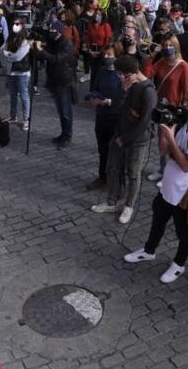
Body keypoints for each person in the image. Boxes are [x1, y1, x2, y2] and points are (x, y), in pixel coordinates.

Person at [124, 83, 188, 284]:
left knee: (183, 231)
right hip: (167, 188)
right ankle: (149, 251)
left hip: (185, 193)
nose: (184, 105)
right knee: (158, 221)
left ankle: (179, 265)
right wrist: (164, 131)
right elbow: (164, 152)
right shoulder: (183, 123)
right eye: (184, 100)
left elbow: (186, 165)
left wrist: (171, 138)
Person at [92, 55, 157, 224]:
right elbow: (116, 108)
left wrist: (125, 139)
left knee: (133, 173)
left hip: (137, 140)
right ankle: (112, 201)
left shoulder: (148, 90)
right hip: (119, 134)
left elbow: (144, 123)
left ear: (131, 73)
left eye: (121, 74)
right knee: (112, 167)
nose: (119, 77)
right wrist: (123, 90)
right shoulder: (126, 86)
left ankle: (129, 206)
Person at [85, 42, 123, 190]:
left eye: (109, 55)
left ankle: (117, 181)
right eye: (105, 54)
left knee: (116, 151)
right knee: (102, 149)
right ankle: (103, 177)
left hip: (116, 117)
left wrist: (111, 101)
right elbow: (94, 88)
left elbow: (124, 97)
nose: (106, 57)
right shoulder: (101, 71)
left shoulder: (121, 75)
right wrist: (95, 98)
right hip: (101, 115)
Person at [38, 20, 78, 148]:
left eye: (53, 31)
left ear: (59, 32)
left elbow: (57, 59)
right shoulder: (52, 41)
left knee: (65, 110)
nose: (50, 33)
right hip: (53, 80)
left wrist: (42, 51)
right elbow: (45, 57)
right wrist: (37, 51)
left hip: (64, 81)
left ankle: (67, 136)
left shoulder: (66, 44)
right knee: (60, 110)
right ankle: (63, 133)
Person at [4, 22, 33, 131]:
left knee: (24, 96)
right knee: (13, 95)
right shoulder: (9, 39)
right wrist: (9, 54)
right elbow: (3, 49)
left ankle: (26, 120)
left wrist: (7, 54)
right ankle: (13, 116)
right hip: (11, 72)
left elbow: (17, 57)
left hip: (22, 73)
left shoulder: (25, 42)